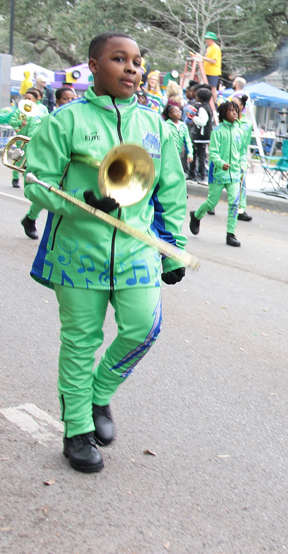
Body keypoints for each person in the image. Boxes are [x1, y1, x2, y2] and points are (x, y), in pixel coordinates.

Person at [22, 32, 188, 473]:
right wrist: (82, 200)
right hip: (77, 252)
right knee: (80, 343)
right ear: (93, 66)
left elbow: (171, 191)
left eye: (137, 61)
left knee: (142, 328)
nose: (133, 68)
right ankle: (77, 429)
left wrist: (173, 250)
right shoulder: (65, 121)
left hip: (136, 251)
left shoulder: (157, 126)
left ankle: (100, 394)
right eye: (120, 59)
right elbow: (35, 183)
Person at [189, 99, 247, 247]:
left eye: (236, 111)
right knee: (211, 203)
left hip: (234, 175)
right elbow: (213, 153)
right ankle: (196, 216)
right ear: (223, 113)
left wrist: (242, 165)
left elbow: (242, 153)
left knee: (234, 203)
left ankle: (230, 234)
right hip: (218, 174)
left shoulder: (240, 132)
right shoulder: (217, 131)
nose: (235, 113)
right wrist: (221, 163)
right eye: (231, 110)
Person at [9, 88, 49, 189]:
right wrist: (19, 124)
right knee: (17, 159)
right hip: (21, 139)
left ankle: (28, 180)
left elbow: (46, 124)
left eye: (29, 98)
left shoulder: (42, 111)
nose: (27, 100)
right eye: (25, 98)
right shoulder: (20, 110)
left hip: (33, 140)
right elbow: (12, 121)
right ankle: (15, 178)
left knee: (30, 161)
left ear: (35, 100)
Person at [230, 94, 253, 222]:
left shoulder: (247, 123)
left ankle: (241, 209)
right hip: (226, 155)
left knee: (241, 183)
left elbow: (246, 142)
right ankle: (211, 204)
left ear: (242, 107)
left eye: (236, 104)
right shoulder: (228, 121)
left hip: (240, 157)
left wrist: (242, 157)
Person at [189, 86, 214, 182]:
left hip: (200, 135)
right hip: (204, 136)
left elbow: (202, 122)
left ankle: (199, 174)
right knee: (200, 155)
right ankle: (199, 173)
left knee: (199, 155)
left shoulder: (202, 108)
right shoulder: (207, 107)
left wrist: (193, 118)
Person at [163, 103, 193, 179]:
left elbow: (187, 140)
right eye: (175, 112)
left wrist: (190, 153)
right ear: (170, 114)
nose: (178, 113)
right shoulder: (166, 125)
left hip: (178, 153)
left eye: (179, 111)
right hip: (168, 153)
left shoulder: (183, 126)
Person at [201, 31, 222, 106]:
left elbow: (214, 61)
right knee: (206, 87)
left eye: (207, 39)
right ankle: (207, 101)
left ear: (211, 39)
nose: (205, 40)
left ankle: (214, 103)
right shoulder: (209, 48)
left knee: (212, 88)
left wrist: (202, 57)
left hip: (213, 71)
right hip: (207, 71)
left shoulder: (215, 48)